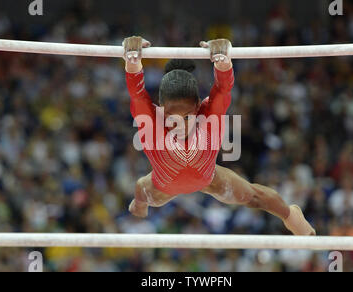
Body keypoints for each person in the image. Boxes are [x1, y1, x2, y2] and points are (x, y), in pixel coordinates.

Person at [123, 36, 315, 235]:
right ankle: (138, 207)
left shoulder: (209, 115)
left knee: (255, 197)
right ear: (161, 109)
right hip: (162, 186)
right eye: (172, 117)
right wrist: (132, 61)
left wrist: (224, 62)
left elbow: (223, 88)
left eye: (187, 117)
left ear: (198, 106)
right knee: (141, 195)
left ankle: (292, 217)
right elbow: (137, 93)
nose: (180, 124)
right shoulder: (151, 120)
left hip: (209, 178)